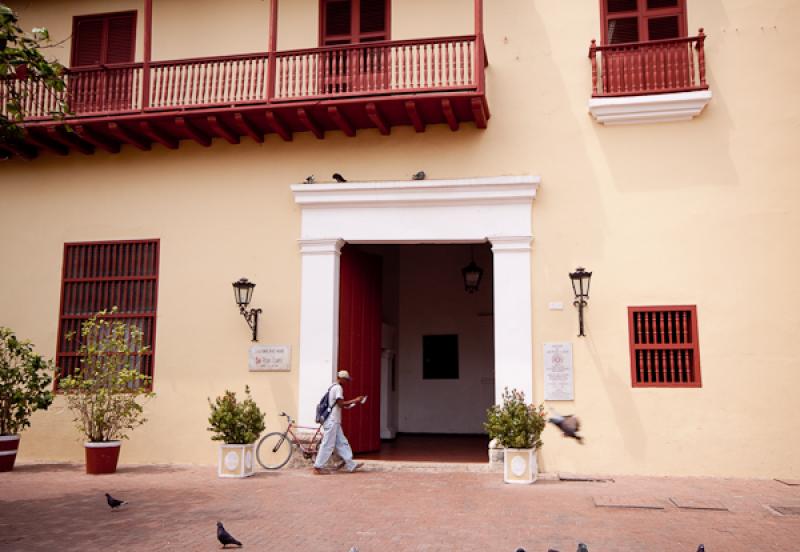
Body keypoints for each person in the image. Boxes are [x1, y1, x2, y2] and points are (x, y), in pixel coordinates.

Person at [313, 370, 365, 475]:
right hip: (332, 421)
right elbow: (340, 404)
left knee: (342, 442)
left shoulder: (333, 387)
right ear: (341, 379)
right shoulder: (338, 388)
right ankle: (318, 467)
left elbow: (339, 405)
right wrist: (355, 400)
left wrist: (353, 403)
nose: (347, 382)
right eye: (346, 380)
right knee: (328, 444)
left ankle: (351, 464)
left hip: (334, 421)